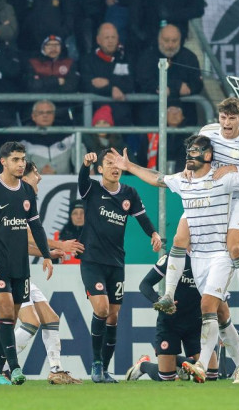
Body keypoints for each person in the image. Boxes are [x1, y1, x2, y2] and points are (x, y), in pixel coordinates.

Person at [106, 135, 239, 383]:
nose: (189, 156)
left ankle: (202, 363)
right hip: (198, 257)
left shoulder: (224, 178)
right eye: (188, 151)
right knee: (222, 313)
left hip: (220, 255)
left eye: (194, 152)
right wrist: (129, 166)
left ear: (207, 155)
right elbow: (157, 179)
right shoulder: (183, 180)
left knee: (207, 306)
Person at [158, 98, 239, 326]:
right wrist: (188, 166)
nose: (226, 123)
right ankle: (168, 294)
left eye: (232, 118)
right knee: (179, 238)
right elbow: (197, 150)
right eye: (223, 117)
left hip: (234, 199)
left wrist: (234, 168)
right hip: (205, 194)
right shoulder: (208, 131)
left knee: (235, 247)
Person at [0, 141, 55, 386]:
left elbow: (36, 226)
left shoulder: (27, 191)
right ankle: (14, 368)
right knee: (6, 312)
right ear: (3, 162)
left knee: (10, 318)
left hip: (20, 265)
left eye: (23, 160)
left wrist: (47, 255)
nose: (21, 164)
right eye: (16, 160)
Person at [78, 148, 162, 383]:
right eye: (109, 163)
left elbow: (142, 218)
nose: (115, 168)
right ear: (101, 169)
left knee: (113, 317)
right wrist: (85, 164)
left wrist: (153, 233)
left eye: (118, 163)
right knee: (102, 310)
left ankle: (104, 369)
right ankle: (95, 363)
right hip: (92, 261)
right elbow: (82, 180)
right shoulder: (92, 189)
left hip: (116, 262)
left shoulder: (129, 193)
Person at [5, 160, 83, 385]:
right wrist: (58, 246)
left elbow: (22, 241)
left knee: (50, 318)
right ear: (24, 177)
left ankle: (56, 370)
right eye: (35, 173)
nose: (39, 177)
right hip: (10, 272)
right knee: (30, 323)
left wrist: (49, 252)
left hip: (20, 271)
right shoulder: (17, 199)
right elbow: (29, 235)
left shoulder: (25, 200)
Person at [126, 254, 220, 382]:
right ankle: (143, 366)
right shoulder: (173, 256)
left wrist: (220, 328)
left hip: (196, 324)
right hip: (171, 323)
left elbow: (217, 294)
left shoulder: (210, 257)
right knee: (166, 377)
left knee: (210, 375)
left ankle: (182, 363)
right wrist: (159, 301)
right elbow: (145, 284)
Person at [134, 24, 203, 126]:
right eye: (166, 41)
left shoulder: (189, 57)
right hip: (153, 117)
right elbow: (142, 82)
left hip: (185, 118)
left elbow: (197, 83)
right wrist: (177, 86)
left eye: (174, 41)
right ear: (159, 40)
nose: (170, 45)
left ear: (180, 40)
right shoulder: (147, 57)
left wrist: (183, 89)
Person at [80, 23, 136, 126]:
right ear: (98, 40)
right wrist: (111, 89)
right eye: (106, 37)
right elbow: (88, 86)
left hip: (122, 119)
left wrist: (108, 83)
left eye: (113, 37)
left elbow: (130, 84)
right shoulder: (87, 60)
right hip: (96, 116)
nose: (110, 41)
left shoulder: (126, 57)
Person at [20, 100, 83, 175]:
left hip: (65, 183)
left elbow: (84, 164)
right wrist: (39, 172)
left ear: (54, 115)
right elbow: (21, 171)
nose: (45, 115)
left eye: (49, 112)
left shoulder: (69, 136)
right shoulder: (24, 139)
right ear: (33, 116)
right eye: (41, 112)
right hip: (34, 182)